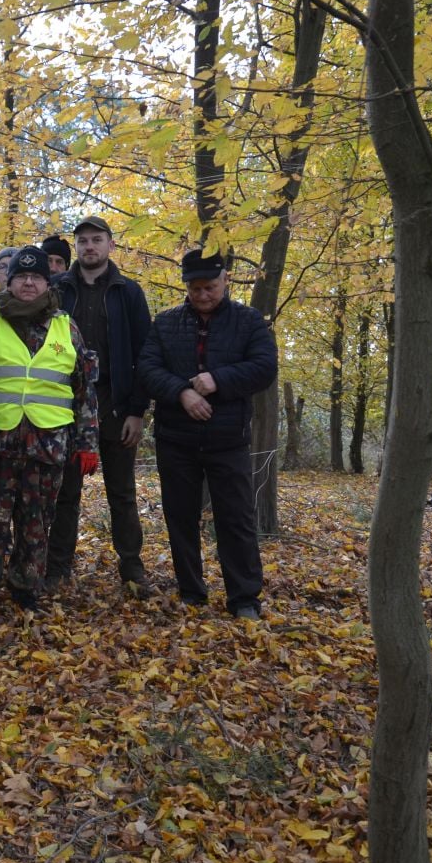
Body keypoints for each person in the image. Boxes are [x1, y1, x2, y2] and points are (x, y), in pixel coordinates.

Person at [0, 247, 98, 621]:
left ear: (47, 283)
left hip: (47, 444)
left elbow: (83, 388)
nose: (29, 283)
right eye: (22, 277)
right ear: (9, 280)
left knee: (36, 522)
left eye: (36, 278)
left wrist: (87, 442)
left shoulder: (66, 326)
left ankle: (26, 589)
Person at [138, 249, 277, 619]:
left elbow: (265, 368)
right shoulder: (166, 323)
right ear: (186, 286)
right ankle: (191, 591)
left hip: (228, 438)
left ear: (225, 281)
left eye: (210, 287)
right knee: (180, 517)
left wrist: (218, 380)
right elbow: (148, 368)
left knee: (236, 519)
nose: (203, 295)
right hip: (175, 438)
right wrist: (181, 392)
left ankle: (244, 598)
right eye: (196, 288)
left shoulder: (248, 321)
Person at [46, 215, 155, 597]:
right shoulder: (59, 288)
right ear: (76, 248)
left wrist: (137, 411)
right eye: (83, 241)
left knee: (122, 492)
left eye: (96, 240)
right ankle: (58, 567)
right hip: (66, 405)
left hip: (115, 404)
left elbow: (146, 354)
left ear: (110, 245)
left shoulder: (128, 292)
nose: (89, 247)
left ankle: (132, 568)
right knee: (65, 492)